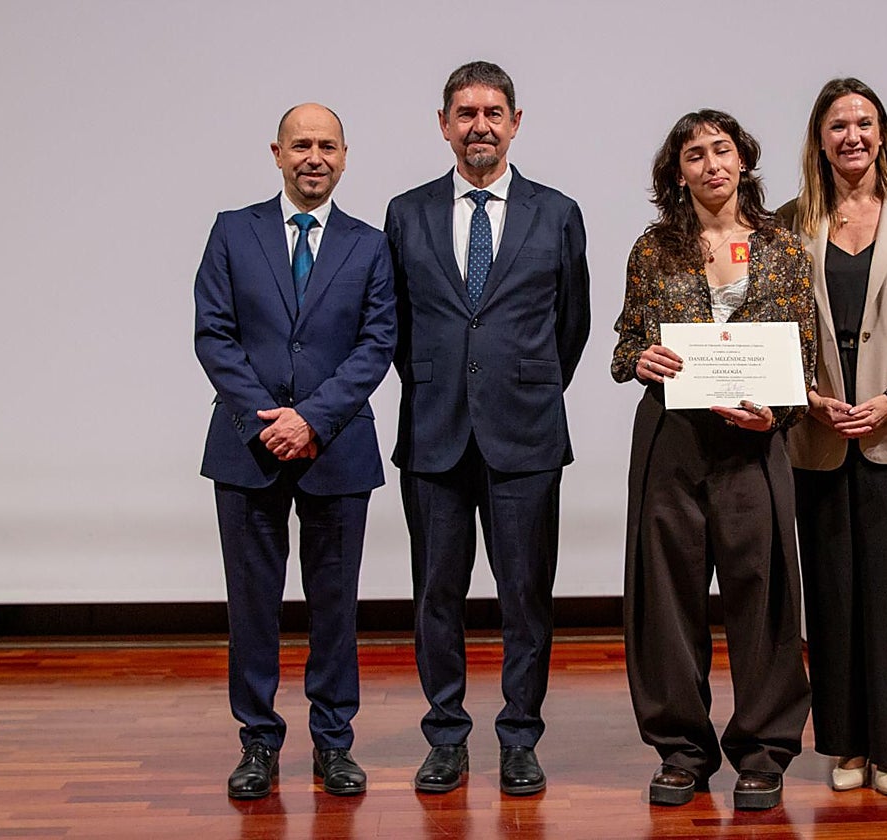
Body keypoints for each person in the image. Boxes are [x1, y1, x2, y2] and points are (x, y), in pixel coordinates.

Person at [384, 61, 590, 797]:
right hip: (434, 433)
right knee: (436, 594)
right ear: (443, 124)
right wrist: (444, 386)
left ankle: (518, 738)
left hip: (526, 436)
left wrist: (526, 386)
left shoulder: (556, 211)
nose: (480, 125)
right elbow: (397, 327)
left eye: (493, 112)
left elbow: (573, 324)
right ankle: (445, 737)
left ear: (516, 122)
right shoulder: (405, 213)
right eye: (465, 112)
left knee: (526, 596)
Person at [611, 109, 816, 811]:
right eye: (693, 155)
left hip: (754, 443)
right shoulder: (653, 250)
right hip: (672, 441)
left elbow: (804, 356)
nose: (710, 164)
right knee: (667, 597)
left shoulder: (784, 250)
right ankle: (682, 752)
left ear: (743, 161)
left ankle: (763, 752)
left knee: (763, 597)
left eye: (721, 150)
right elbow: (624, 343)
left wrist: (777, 414)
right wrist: (639, 359)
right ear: (678, 173)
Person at [194, 103, 396, 799]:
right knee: (252, 606)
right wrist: (267, 421)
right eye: (301, 145)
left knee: (335, 607)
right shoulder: (231, 232)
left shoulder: (370, 245)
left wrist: (310, 420)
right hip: (247, 450)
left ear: (345, 157)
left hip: (335, 448)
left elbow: (377, 344)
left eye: (328, 146)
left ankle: (334, 744)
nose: (315, 156)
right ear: (276, 153)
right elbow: (214, 336)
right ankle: (257, 742)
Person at [775, 77, 887, 796]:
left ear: (882, 134)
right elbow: (777, 326)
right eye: (837, 124)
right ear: (819, 139)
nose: (852, 135)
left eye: (864, 122)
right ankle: (845, 745)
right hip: (818, 431)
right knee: (832, 592)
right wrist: (807, 398)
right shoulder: (790, 222)